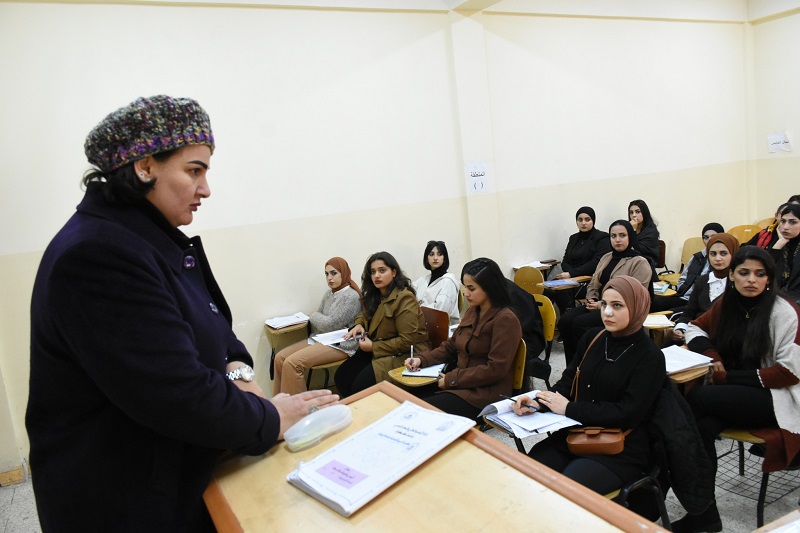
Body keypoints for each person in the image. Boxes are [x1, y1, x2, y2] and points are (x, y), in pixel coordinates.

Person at [25, 95, 338, 531]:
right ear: (145, 166)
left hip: (168, 472)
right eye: (194, 170)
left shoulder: (150, 238)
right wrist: (270, 417)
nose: (206, 188)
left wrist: (239, 374)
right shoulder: (97, 255)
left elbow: (213, 327)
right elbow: (176, 394)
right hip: (123, 499)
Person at [675, 247, 800, 532]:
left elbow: (788, 373)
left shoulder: (785, 312)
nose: (751, 280)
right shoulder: (726, 303)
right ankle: (705, 513)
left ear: (769, 279)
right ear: (731, 275)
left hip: (778, 398)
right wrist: (713, 356)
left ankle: (665, 467)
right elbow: (694, 328)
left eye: (760, 274)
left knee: (694, 400)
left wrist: (726, 377)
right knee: (700, 427)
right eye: (743, 273)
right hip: (732, 398)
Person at [512, 276, 665, 495]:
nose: (607, 312)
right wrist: (539, 402)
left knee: (566, 490)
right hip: (577, 432)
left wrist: (569, 409)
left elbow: (628, 413)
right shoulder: (593, 338)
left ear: (637, 307)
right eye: (604, 304)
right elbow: (567, 383)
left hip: (620, 446)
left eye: (617, 306)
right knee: (528, 472)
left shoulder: (650, 356)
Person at [405, 258, 522, 420]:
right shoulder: (473, 311)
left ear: (489, 288)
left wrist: (452, 380)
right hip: (462, 384)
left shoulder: (505, 320)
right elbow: (451, 347)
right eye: (465, 287)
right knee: (406, 398)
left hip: (484, 394)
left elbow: (495, 370)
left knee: (422, 413)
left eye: (471, 288)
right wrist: (422, 359)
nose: (466, 293)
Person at [557, 220, 655, 364]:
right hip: (598, 304)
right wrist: (591, 298)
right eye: (613, 236)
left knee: (579, 323)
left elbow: (634, 296)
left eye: (622, 235)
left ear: (630, 237)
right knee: (565, 321)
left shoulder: (639, 262)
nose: (617, 240)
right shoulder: (606, 257)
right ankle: (572, 366)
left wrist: (602, 305)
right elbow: (593, 282)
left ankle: (588, 365)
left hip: (620, 309)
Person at [334, 251, 429, 397]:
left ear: (394, 272)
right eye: (373, 272)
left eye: (382, 270)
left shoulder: (405, 299)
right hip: (382, 348)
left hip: (406, 354)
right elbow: (364, 315)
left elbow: (407, 341)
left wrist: (373, 347)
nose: (376, 276)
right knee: (341, 377)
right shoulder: (377, 294)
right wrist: (359, 324)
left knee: (360, 386)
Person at [272, 257, 362, 394]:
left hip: (341, 343)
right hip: (322, 338)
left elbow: (328, 324)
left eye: (334, 273)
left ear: (343, 273)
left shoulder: (351, 296)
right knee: (280, 358)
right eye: (326, 274)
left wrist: (314, 316)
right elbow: (323, 325)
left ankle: (300, 410)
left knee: (292, 363)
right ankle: (280, 405)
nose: (329, 278)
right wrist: (323, 321)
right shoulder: (329, 294)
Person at [670, 234, 738, 345]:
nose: (718, 258)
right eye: (713, 254)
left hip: (721, 340)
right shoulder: (703, 280)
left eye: (724, 253)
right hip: (694, 333)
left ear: (733, 254)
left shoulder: (737, 283)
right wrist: (680, 329)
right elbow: (689, 311)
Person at [548, 206, 611, 315]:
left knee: (561, 291)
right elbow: (565, 261)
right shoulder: (573, 238)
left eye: (587, 219)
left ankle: (567, 316)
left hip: (589, 280)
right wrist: (570, 275)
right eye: (580, 220)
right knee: (548, 288)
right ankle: (549, 323)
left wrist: (571, 274)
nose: (583, 223)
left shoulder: (602, 238)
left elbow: (596, 263)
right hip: (571, 278)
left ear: (593, 221)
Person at [411, 240, 461, 324]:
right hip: (423, 325)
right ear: (427, 258)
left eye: (439, 254)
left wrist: (417, 309)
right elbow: (409, 292)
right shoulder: (423, 280)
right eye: (431, 254)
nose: (435, 258)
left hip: (442, 329)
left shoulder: (448, 281)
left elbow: (440, 311)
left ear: (444, 258)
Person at [675, 223, 725, 301]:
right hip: (685, 297)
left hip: (702, 302)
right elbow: (682, 279)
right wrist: (683, 290)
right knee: (655, 302)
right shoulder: (697, 257)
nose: (709, 240)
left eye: (713, 236)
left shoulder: (723, 260)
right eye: (706, 237)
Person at [766, 204, 800, 305]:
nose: (785, 227)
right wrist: (779, 244)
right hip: (777, 298)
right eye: (783, 221)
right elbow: (764, 268)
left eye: (793, 222)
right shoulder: (777, 242)